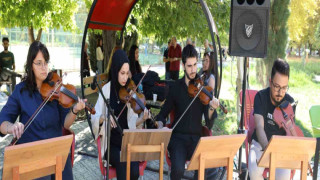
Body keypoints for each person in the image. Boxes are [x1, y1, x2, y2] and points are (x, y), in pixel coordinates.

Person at [0, 41, 86, 179]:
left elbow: (66, 124)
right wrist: (11, 127)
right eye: (38, 63)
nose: (44, 67)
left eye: (46, 62)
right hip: (33, 157)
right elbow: (2, 121)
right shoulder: (20, 91)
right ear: (30, 66)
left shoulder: (56, 89)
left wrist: (75, 110)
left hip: (56, 153)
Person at [156, 45, 219, 180]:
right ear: (183, 66)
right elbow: (163, 112)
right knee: (178, 169)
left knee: (205, 167)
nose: (193, 70)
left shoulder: (203, 89)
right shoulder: (175, 88)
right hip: (178, 139)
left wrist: (212, 108)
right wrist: (160, 123)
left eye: (195, 65)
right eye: (189, 66)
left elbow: (209, 122)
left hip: (196, 139)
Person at [90, 50, 151, 180]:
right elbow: (94, 117)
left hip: (127, 142)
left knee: (134, 170)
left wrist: (142, 119)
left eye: (127, 73)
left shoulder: (130, 90)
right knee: (122, 162)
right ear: (115, 70)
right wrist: (104, 118)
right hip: (111, 144)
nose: (125, 77)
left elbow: (131, 123)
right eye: (122, 73)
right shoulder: (106, 90)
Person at [248, 59, 293, 180]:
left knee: (284, 177)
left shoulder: (290, 102)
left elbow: (290, 133)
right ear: (270, 82)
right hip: (260, 144)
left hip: (280, 147)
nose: (280, 92)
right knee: (254, 170)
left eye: (284, 88)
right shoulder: (260, 97)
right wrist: (269, 150)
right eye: (277, 86)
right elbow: (259, 128)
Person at [198, 52, 217, 129]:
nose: (204, 63)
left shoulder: (211, 77)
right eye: (203, 60)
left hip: (205, 108)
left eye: (207, 61)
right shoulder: (203, 72)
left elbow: (210, 96)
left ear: (211, 63)